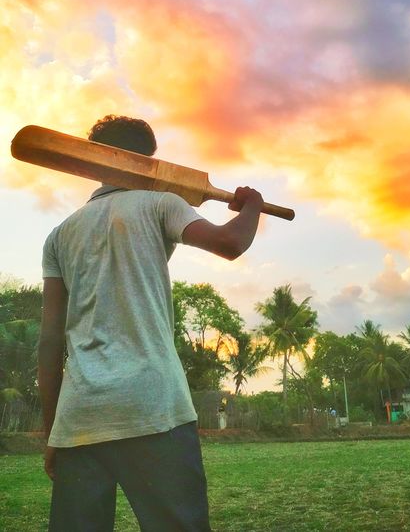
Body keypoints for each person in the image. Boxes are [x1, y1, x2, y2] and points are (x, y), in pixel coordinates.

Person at [38, 114, 264, 532]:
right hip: (153, 407)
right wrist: (252, 207)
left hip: (80, 416)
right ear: (148, 161)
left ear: (92, 161)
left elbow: (50, 341)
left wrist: (52, 430)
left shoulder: (59, 234)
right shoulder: (161, 202)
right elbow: (231, 243)